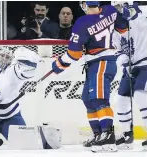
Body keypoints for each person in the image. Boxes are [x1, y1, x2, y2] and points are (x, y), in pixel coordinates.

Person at [51, 1, 128, 152]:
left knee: (99, 99)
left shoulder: (82, 22)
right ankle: (98, 134)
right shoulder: (110, 10)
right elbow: (124, 28)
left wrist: (59, 64)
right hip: (97, 63)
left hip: (102, 62)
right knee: (88, 98)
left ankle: (108, 135)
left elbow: (74, 53)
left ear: (84, 5)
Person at [113, 1, 147, 150]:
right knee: (120, 99)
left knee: (140, 95)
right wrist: (121, 58)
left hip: (145, 64)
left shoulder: (142, 17)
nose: (120, 10)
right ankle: (127, 134)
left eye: (122, 6)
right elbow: (117, 49)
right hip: (130, 68)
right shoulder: (117, 28)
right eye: (117, 7)